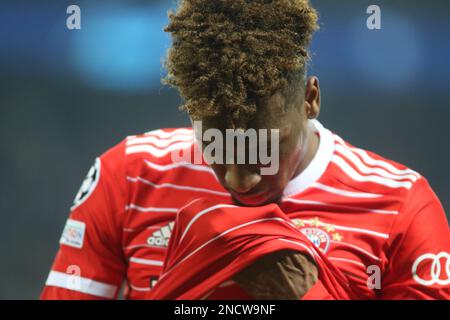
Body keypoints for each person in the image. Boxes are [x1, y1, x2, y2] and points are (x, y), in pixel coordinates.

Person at [41, 0, 449, 299]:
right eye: (216, 145)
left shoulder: (400, 206)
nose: (241, 178)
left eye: (265, 147)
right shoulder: (130, 179)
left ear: (310, 99)